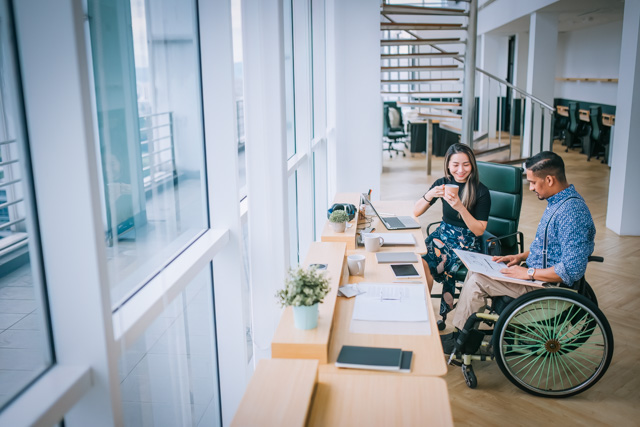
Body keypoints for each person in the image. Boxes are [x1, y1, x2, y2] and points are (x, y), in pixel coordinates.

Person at [441, 151, 596, 353]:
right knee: (475, 269)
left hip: (546, 285)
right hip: (536, 274)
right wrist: (520, 257)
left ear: (549, 179)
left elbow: (571, 270)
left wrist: (527, 273)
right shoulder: (558, 202)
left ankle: (462, 342)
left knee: (478, 280)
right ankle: (464, 336)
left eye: (533, 182)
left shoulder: (571, 213)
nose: (530, 188)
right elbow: (551, 247)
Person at [413, 143, 491, 320]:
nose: (461, 170)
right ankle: (422, 310)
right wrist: (431, 194)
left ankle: (440, 316)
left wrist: (460, 207)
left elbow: (479, 231)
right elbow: (416, 211)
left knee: (447, 267)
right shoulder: (443, 183)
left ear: (472, 165)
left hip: (467, 242)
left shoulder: (481, 191)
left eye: (466, 164)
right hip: (442, 236)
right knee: (420, 262)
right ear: (448, 165)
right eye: (455, 165)